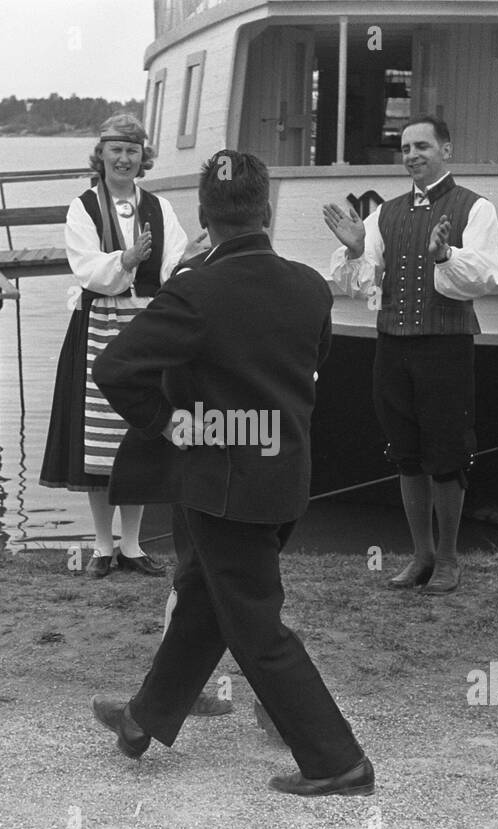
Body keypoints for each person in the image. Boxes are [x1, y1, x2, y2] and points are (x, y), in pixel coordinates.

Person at [89, 150, 373, 796]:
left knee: (254, 626)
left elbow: (114, 368)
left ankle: (336, 758)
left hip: (220, 487)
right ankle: (142, 720)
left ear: (203, 216)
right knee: (202, 602)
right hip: (286, 477)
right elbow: (312, 364)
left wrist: (166, 422)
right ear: (267, 209)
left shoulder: (194, 289)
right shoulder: (308, 285)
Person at [324, 116, 498, 595]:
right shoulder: (387, 212)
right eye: (405, 148)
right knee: (406, 453)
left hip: (446, 345)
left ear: (446, 148)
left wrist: (445, 257)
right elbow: (354, 281)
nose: (412, 155)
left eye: (422, 145)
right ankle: (420, 555)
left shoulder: (476, 208)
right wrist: (357, 248)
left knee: (446, 452)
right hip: (393, 344)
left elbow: (486, 277)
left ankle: (447, 558)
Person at [40, 113, 204, 579]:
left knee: (138, 432)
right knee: (97, 439)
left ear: (142, 157)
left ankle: (132, 545)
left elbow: (173, 262)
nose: (125, 158)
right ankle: (101, 543)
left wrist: (189, 259)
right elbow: (85, 266)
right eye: (116, 149)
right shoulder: (83, 208)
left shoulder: (159, 207)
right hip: (98, 324)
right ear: (102, 155)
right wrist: (124, 261)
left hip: (145, 325)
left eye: (133, 150)